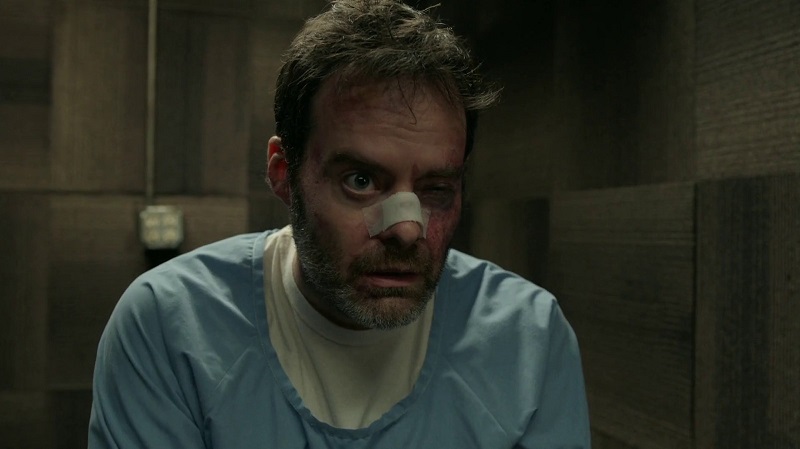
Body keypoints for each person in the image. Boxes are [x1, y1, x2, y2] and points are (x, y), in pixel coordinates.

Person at [88, 0, 591, 447]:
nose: (407, 230)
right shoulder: (169, 326)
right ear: (284, 174)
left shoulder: (528, 340)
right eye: (361, 180)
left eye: (436, 188)